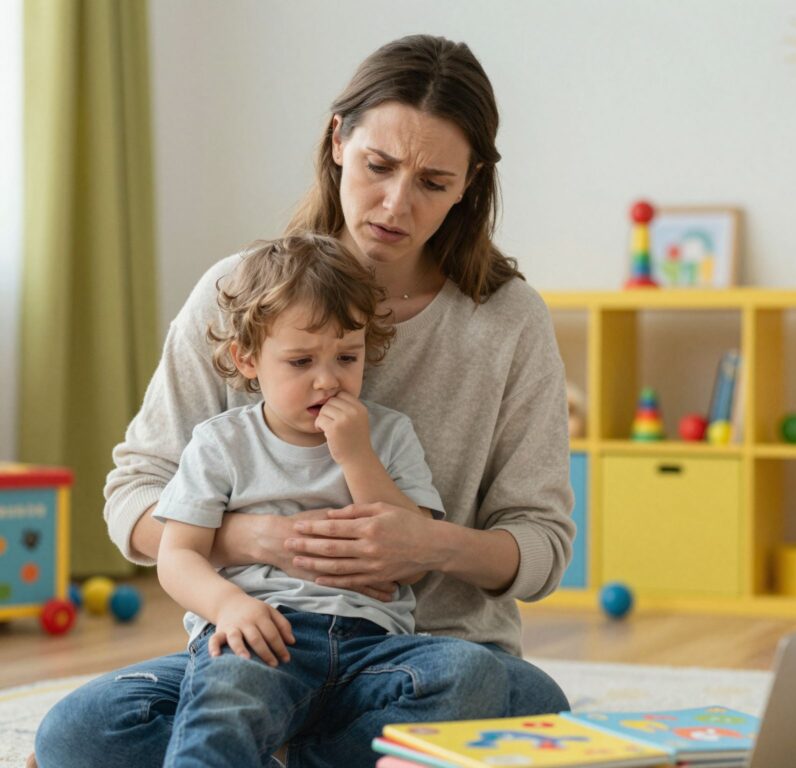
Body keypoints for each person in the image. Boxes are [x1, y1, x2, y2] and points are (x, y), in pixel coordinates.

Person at [33, 34, 574, 768]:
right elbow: (134, 494)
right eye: (378, 166)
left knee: (516, 696)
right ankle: (321, 747)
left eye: (433, 183)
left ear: (470, 183)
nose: (395, 204)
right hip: (260, 645)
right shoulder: (241, 296)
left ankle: (276, 750)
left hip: (424, 658)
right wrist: (247, 542)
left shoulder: (508, 322)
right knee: (78, 732)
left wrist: (428, 544)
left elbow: (542, 546)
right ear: (338, 140)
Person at [156, 233, 454, 766]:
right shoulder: (220, 443)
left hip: (373, 649)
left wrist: (358, 456)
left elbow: (413, 555)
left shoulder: (388, 435)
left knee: (496, 683)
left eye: (347, 356)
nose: (328, 380)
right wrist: (228, 606)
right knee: (87, 725)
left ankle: (295, 754)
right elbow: (177, 555)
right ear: (247, 359)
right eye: (300, 362)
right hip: (261, 637)